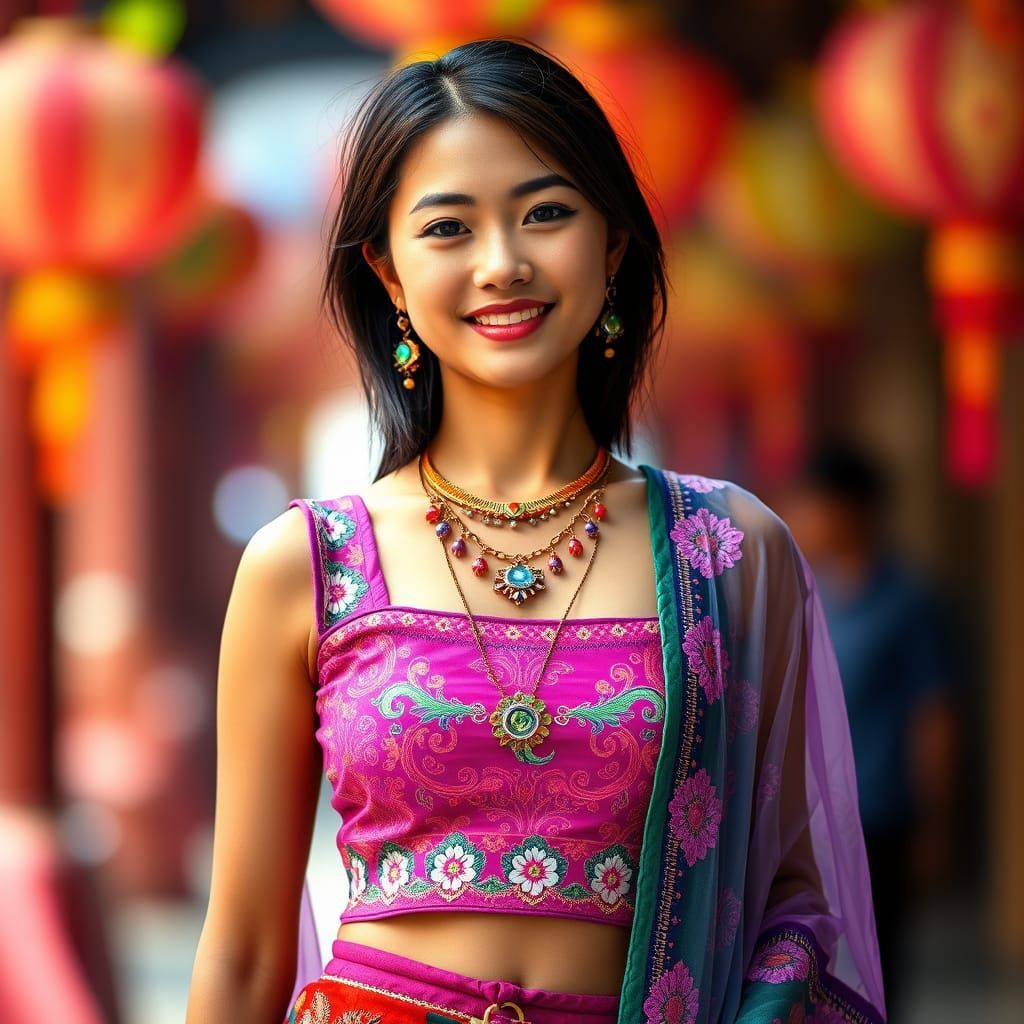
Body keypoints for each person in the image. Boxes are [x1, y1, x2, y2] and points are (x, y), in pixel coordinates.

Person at [186, 39, 885, 1024]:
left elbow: (787, 906)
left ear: (611, 244)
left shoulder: (729, 552)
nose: (502, 263)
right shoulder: (305, 564)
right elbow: (245, 950)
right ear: (386, 271)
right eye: (447, 228)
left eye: (545, 214)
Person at [785, 444, 957, 1021]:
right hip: (816, 820)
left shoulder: (907, 602)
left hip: (882, 815)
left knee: (883, 960)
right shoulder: (811, 594)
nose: (805, 518)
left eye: (817, 505)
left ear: (854, 510)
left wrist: (936, 820)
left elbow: (932, 715)